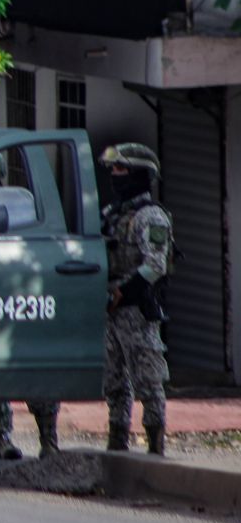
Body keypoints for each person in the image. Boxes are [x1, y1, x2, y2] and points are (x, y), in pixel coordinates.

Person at [101, 142, 172, 455]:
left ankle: (155, 445)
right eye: (114, 169)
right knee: (114, 382)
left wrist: (123, 292)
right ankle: (118, 440)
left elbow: (156, 264)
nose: (115, 175)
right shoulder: (111, 214)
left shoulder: (151, 217)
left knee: (148, 380)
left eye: (121, 169)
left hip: (135, 308)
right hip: (110, 310)